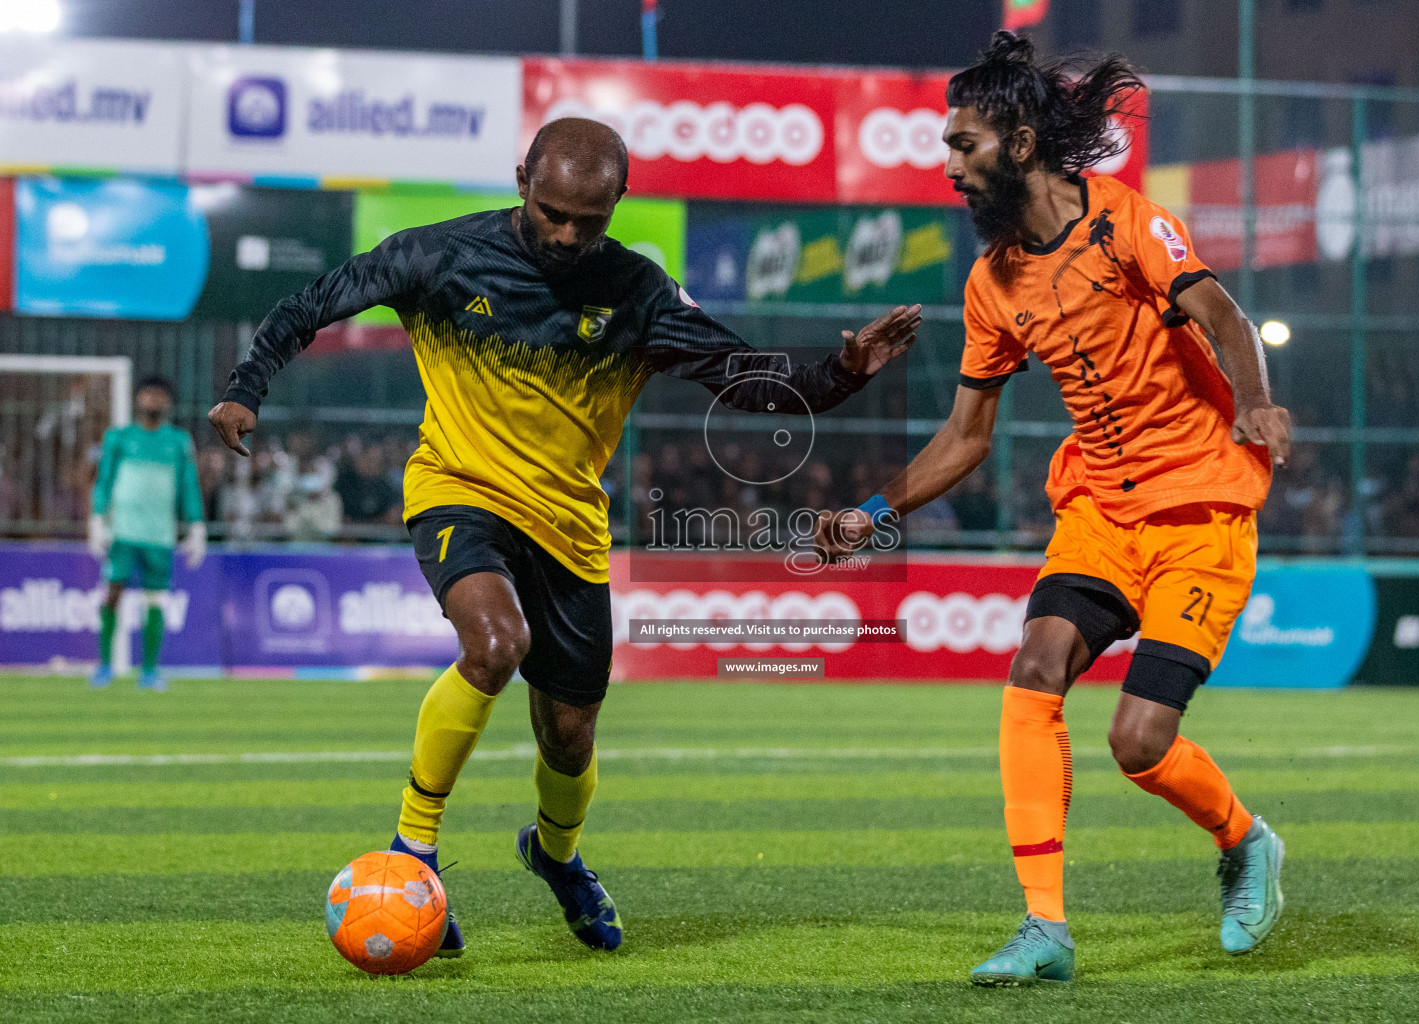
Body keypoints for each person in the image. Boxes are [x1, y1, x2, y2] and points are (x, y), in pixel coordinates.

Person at [207, 117, 920, 960]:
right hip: (458, 492)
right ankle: (414, 851)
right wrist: (247, 385)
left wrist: (840, 374)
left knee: (570, 734)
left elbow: (747, 380)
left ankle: (556, 855)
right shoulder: (438, 255)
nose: (568, 234)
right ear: (521, 181)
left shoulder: (640, 293)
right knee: (495, 642)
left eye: (590, 219)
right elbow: (311, 303)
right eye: (551, 212)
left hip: (571, 528)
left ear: (620, 200)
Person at [815, 32, 1291, 985]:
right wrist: (874, 512)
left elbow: (1223, 314)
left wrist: (1254, 400)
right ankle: (1045, 930)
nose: (950, 166)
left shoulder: (1127, 226)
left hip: (1199, 508)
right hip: (1101, 513)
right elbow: (967, 437)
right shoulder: (991, 283)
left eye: (965, 147)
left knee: (1138, 743)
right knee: (1034, 668)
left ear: (1021, 145)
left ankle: (1247, 842)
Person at [89, 376, 207, 692]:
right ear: (137, 399)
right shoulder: (119, 437)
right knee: (112, 593)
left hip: (159, 534)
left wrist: (196, 526)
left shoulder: (179, 441)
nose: (153, 401)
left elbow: (188, 486)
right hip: (123, 532)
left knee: (155, 600)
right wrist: (97, 518)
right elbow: (104, 481)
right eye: (148, 395)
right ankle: (104, 666)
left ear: (168, 403)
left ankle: (150, 671)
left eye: (159, 396)